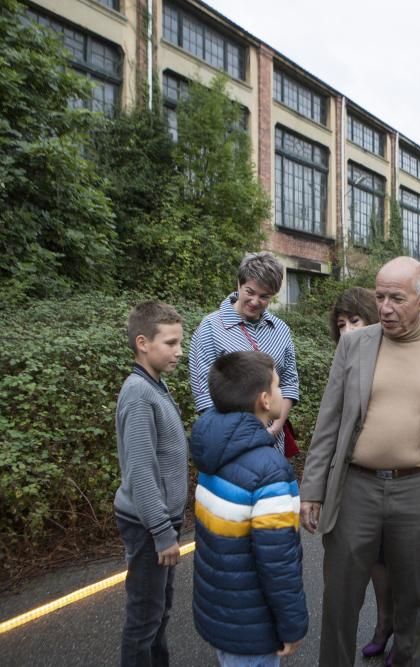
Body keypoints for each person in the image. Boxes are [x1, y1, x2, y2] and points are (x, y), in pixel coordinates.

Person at [300, 256, 420, 666]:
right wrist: (313, 488)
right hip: (355, 487)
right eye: (380, 297)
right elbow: (330, 419)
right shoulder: (354, 345)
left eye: (396, 297)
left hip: (418, 492)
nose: (385, 307)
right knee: (340, 599)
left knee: (412, 602)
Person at [190, 351, 307, 666]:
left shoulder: (213, 451)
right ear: (265, 400)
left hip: (220, 610)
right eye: (279, 386)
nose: (284, 393)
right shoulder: (270, 470)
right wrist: (293, 625)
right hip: (253, 625)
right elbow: (278, 562)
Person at [115, 302, 188, 666]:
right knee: (145, 618)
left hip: (160, 522)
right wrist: (162, 531)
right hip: (148, 526)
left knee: (159, 612)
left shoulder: (154, 387)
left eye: (180, 342)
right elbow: (141, 471)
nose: (180, 351)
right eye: (171, 343)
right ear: (143, 343)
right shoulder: (140, 394)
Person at [329, 288, 394, 660]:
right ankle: (384, 624)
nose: (349, 331)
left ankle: (398, 627)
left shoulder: (399, 358)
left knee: (399, 562)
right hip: (356, 482)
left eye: (356, 321)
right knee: (369, 561)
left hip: (402, 484)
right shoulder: (344, 362)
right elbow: (329, 428)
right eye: (342, 324)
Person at [189, 252, 300, 457]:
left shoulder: (281, 330)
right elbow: (204, 394)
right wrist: (240, 437)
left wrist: (276, 427)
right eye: (250, 291)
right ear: (239, 284)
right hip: (228, 445)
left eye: (264, 296)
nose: (255, 301)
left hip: (273, 444)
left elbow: (290, 382)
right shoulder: (210, 328)